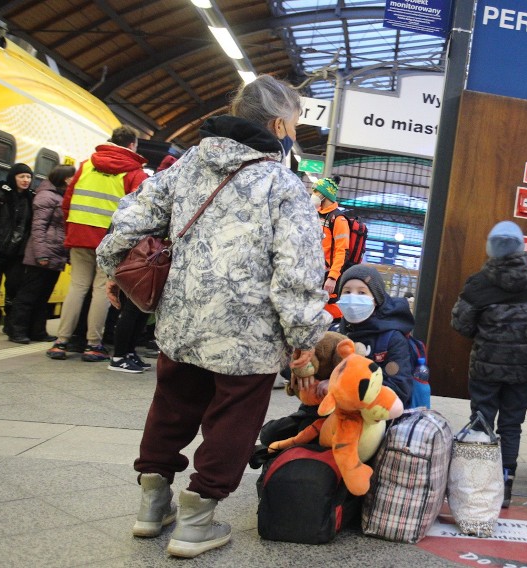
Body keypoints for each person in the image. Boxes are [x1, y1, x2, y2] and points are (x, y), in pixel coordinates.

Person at [96, 74, 331, 558]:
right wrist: (305, 333)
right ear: (277, 124)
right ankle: (196, 520)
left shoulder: (185, 165)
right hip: (249, 335)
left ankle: (151, 508)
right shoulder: (282, 185)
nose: (294, 132)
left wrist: (112, 269)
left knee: (172, 404)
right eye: (294, 123)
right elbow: (298, 268)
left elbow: (130, 218)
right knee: (233, 418)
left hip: (182, 320)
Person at [451, 221, 527, 508]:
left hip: (485, 368)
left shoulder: (479, 283)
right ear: (522, 247)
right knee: (513, 425)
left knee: (482, 420)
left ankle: (479, 481)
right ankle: (506, 483)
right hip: (524, 370)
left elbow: (460, 322)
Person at [46, 126, 148, 363]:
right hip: (109, 240)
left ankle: (61, 342)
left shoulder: (86, 165)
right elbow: (137, 212)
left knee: (77, 286)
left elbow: (67, 200)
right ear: (132, 145)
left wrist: (72, 228)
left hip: (79, 233)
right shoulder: (134, 172)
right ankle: (93, 345)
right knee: (102, 289)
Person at [7, 165, 75, 343]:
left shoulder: (61, 196)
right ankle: (17, 331)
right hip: (42, 255)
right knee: (28, 295)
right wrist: (41, 254)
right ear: (64, 178)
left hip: (55, 254)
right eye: (71, 177)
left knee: (43, 296)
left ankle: (37, 331)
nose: (74, 180)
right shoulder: (46, 196)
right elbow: (38, 228)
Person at [334, 264, 416, 407]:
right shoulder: (336, 334)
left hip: (376, 417)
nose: (353, 298)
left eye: (361, 293)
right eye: (347, 292)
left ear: (376, 298)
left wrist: (349, 387)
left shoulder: (392, 338)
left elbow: (400, 388)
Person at [0, 163, 34, 338]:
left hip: (17, 254)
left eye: (29, 177)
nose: (26, 180)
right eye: (21, 177)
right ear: (13, 177)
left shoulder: (31, 199)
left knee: (14, 288)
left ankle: (10, 324)